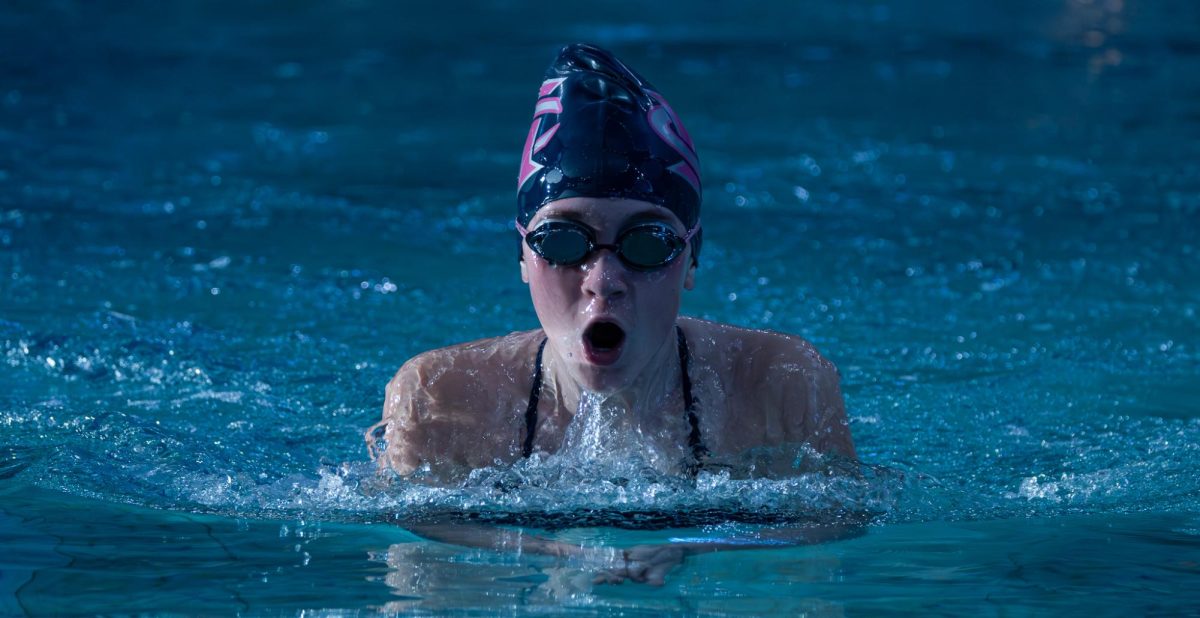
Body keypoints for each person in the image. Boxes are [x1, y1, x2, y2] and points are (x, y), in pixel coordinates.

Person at [365, 43, 858, 584]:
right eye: (563, 242)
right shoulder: (439, 395)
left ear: (692, 259)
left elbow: (838, 522)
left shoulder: (782, 383)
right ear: (524, 257)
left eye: (647, 244)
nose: (603, 283)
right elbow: (411, 527)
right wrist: (554, 554)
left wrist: (698, 547)